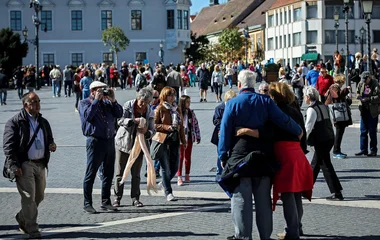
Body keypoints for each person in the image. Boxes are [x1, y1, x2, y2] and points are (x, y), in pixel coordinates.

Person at [218, 70, 303, 240]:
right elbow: (283, 120)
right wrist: (298, 130)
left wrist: (222, 154)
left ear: (240, 85)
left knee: (241, 201)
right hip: (263, 157)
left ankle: (243, 236)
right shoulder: (265, 102)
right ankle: (265, 236)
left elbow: (225, 130)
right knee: (263, 200)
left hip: (240, 157)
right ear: (255, 83)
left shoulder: (233, 103)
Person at [238, 82, 313, 240]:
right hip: (297, 153)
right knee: (296, 193)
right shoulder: (295, 110)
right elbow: (302, 134)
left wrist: (246, 131)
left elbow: (267, 134)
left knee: (287, 195)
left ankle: (292, 233)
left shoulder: (274, 112)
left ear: (274, 96)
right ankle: (297, 227)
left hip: (284, 154)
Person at [3, 92, 56, 238]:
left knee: (39, 196)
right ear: (26, 104)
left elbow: (49, 138)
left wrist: (51, 145)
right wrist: (14, 166)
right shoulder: (15, 122)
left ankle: (22, 217)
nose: (38, 104)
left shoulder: (43, 121)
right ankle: (31, 228)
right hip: (25, 164)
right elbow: (8, 147)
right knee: (28, 197)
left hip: (41, 164)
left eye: (39, 101)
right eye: (34, 101)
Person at [79, 81, 123, 214]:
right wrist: (96, 100)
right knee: (91, 173)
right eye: (100, 90)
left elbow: (119, 113)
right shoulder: (84, 103)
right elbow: (88, 116)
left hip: (109, 140)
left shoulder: (107, 103)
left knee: (108, 173)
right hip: (95, 141)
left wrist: (113, 100)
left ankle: (106, 201)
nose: (103, 92)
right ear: (93, 91)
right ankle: (87, 203)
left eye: (104, 90)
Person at [113, 88, 155, 208]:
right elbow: (119, 120)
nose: (143, 105)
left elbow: (153, 130)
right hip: (124, 142)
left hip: (140, 144)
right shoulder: (128, 105)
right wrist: (132, 121)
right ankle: (117, 197)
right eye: (142, 102)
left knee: (136, 174)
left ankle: (135, 198)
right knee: (120, 172)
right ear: (138, 98)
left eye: (146, 103)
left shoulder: (150, 111)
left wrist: (147, 132)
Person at [304, 86, 344, 201]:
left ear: (308, 97)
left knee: (325, 165)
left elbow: (308, 127)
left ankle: (337, 193)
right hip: (328, 138)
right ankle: (305, 189)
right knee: (316, 164)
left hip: (321, 140)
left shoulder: (311, 109)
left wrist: (303, 141)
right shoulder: (323, 106)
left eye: (305, 96)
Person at [154, 87, 186, 201]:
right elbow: (154, 125)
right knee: (165, 168)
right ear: (164, 96)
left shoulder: (176, 108)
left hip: (175, 140)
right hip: (163, 140)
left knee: (175, 165)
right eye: (169, 95)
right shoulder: (160, 108)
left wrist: (183, 140)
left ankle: (164, 182)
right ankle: (168, 192)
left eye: (173, 94)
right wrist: (167, 127)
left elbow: (181, 125)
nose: (172, 97)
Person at [211, 90, 237, 182]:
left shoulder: (234, 107)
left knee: (231, 152)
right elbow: (215, 121)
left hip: (232, 134)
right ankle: (219, 173)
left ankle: (229, 171)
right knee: (220, 153)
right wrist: (226, 123)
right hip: (220, 135)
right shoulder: (219, 108)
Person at [176, 95, 201, 186]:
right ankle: (179, 176)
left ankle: (187, 174)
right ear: (182, 102)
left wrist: (198, 136)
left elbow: (195, 125)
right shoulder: (178, 113)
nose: (189, 104)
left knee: (188, 157)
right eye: (187, 102)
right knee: (180, 157)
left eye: (189, 102)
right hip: (180, 138)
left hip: (189, 137)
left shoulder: (191, 113)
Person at [355, 71, 380, 157]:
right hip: (363, 109)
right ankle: (363, 149)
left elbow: (378, 97)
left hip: (372, 111)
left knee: (372, 131)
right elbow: (357, 91)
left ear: (369, 77)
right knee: (363, 131)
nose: (364, 82)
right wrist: (359, 96)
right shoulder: (361, 83)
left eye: (365, 80)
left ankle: (373, 150)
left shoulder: (376, 84)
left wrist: (369, 99)